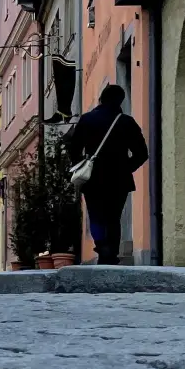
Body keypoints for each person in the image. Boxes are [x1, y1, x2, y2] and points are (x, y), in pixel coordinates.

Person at [66, 84, 149, 265]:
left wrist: (81, 164)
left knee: (95, 215)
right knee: (113, 217)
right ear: (121, 101)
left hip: (92, 177)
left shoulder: (87, 120)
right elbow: (142, 153)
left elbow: (73, 148)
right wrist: (126, 167)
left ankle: (101, 246)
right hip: (119, 178)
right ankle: (110, 253)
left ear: (101, 99)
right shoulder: (127, 122)